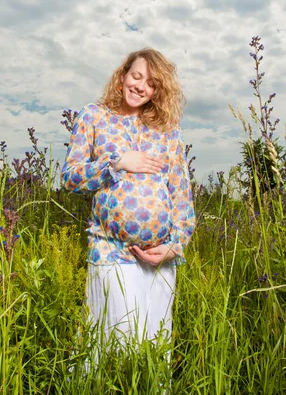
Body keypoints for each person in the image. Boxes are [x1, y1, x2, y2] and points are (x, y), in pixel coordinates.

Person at [61, 47, 195, 347]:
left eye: (151, 84)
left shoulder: (168, 130)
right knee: (111, 346)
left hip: (160, 258)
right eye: (137, 76)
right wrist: (116, 163)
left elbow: (181, 192)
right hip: (111, 252)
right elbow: (70, 178)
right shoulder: (93, 116)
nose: (141, 87)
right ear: (122, 76)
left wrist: (176, 245)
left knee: (154, 350)